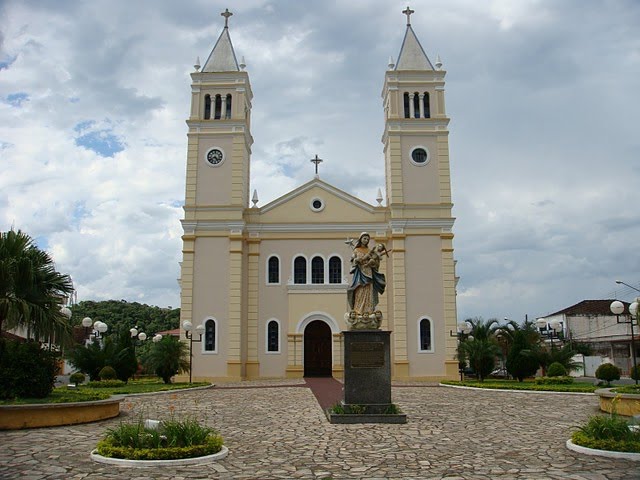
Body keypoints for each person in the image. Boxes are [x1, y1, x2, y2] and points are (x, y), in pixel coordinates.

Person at [347, 232, 386, 317]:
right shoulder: (356, 250)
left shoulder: (369, 251)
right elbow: (353, 261)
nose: (366, 240)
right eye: (364, 238)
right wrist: (356, 260)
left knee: (368, 291)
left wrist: (373, 262)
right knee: (359, 290)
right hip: (360, 273)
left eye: (368, 239)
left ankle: (368, 310)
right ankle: (358, 311)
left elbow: (375, 263)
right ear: (361, 239)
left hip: (368, 272)